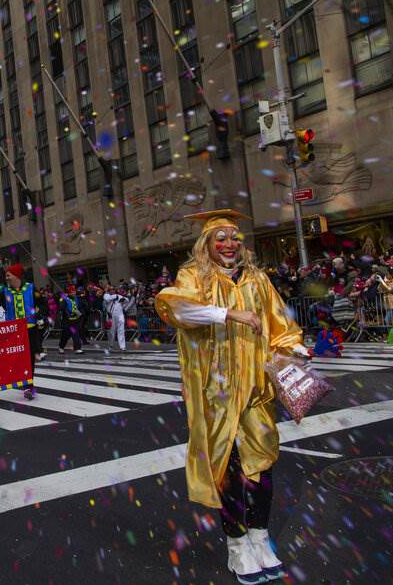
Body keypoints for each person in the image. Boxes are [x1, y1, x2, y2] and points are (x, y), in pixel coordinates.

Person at [155, 209, 309, 584]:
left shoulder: (257, 279)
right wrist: (228, 314)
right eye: (220, 238)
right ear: (206, 244)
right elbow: (174, 307)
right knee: (228, 468)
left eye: (234, 238)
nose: (229, 244)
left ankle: (259, 537)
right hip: (215, 393)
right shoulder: (193, 276)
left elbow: (280, 324)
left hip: (256, 388)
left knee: (262, 464)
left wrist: (296, 348)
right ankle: (237, 545)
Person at [3, 263, 41, 399]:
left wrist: (41, 316)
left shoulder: (30, 288)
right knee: (18, 360)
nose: (6, 278)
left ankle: (28, 387)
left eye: (8, 275)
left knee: (29, 359)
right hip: (14, 332)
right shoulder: (6, 291)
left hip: (29, 331)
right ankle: (24, 382)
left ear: (16, 276)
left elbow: (42, 303)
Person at [57, 285, 84, 354]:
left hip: (75, 320)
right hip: (67, 320)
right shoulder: (64, 298)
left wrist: (80, 312)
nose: (73, 293)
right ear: (68, 292)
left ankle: (77, 348)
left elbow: (80, 306)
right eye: (71, 292)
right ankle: (61, 346)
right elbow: (61, 307)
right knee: (65, 335)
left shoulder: (77, 298)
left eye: (74, 291)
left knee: (75, 333)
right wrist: (62, 297)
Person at [103, 284, 130, 352]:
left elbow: (127, 300)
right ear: (109, 290)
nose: (113, 290)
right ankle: (111, 345)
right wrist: (116, 296)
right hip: (111, 315)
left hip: (120, 314)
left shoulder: (119, 296)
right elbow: (107, 299)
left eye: (114, 289)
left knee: (121, 330)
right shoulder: (106, 295)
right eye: (111, 289)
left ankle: (122, 347)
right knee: (111, 332)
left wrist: (123, 302)